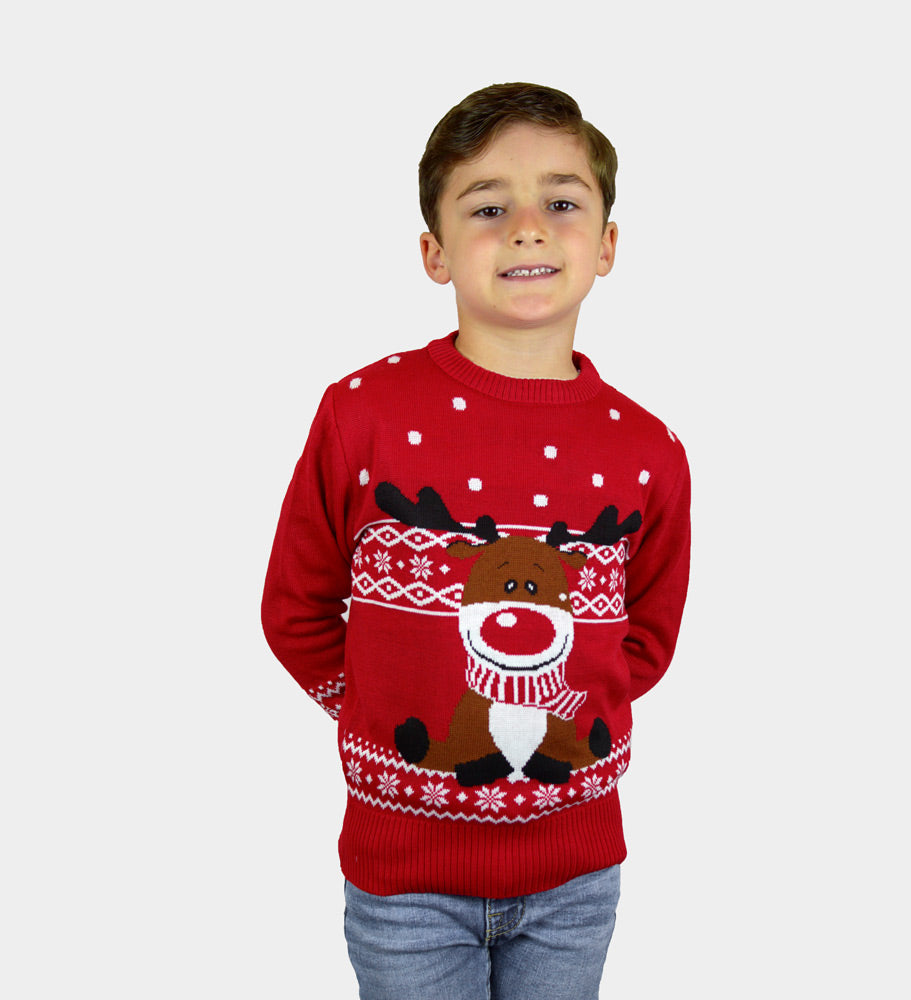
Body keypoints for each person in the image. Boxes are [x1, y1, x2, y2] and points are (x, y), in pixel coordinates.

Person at [261, 82, 691, 1000]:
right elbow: (295, 608)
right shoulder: (362, 412)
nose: (528, 229)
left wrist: (562, 727)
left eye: (562, 203)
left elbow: (646, 636)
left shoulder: (647, 449)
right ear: (435, 252)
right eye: (489, 208)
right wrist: (372, 709)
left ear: (607, 244)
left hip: (577, 877)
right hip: (405, 881)